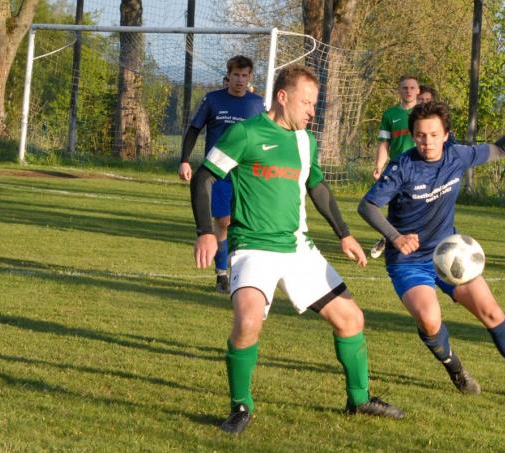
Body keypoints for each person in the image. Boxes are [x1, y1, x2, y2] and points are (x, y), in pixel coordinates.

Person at [191, 64, 405, 434]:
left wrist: (344, 234)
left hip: (297, 247)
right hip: (253, 248)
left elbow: (317, 187)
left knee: (351, 319)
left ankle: (359, 399)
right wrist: (206, 232)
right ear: (283, 97)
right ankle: (241, 406)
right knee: (247, 322)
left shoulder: (307, 142)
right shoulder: (245, 133)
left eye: (315, 105)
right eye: (306, 103)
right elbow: (204, 177)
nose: (311, 111)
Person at [358, 101, 505, 399]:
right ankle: (454, 366)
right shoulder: (402, 167)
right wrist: (395, 237)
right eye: (420, 135)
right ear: (413, 135)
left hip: (448, 254)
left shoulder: (457, 155)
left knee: (491, 311)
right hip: (409, 261)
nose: (426, 142)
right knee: (430, 320)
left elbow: (498, 150)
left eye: (433, 134)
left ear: (446, 135)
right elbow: (367, 205)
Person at [179, 55, 265, 293]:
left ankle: (241, 273)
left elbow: (265, 137)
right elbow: (195, 129)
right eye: (236, 75)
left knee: (247, 225)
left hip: (247, 175)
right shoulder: (213, 99)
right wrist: (185, 160)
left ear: (250, 77)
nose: (240, 80)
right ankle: (222, 275)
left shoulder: (257, 104)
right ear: (229, 76)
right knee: (224, 222)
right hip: (218, 174)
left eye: (244, 76)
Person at [369, 75, 420, 259]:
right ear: (399, 90)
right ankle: (390, 237)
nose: (408, 91)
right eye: (405, 88)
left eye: (412, 87)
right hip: (397, 168)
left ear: (418, 91)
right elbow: (384, 143)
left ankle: (396, 238)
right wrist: (379, 166)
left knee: (417, 204)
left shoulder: (423, 113)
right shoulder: (390, 115)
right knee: (396, 205)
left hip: (420, 167)